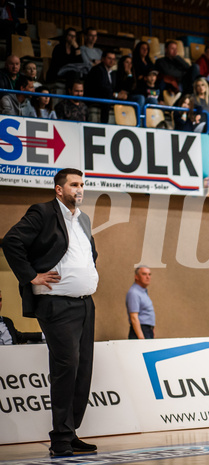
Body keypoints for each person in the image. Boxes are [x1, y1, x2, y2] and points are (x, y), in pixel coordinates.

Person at [2, 168, 99, 457]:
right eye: (73, 184)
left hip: (84, 303)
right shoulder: (42, 213)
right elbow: (11, 242)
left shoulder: (83, 219)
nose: (79, 189)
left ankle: (70, 433)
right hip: (56, 304)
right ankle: (60, 440)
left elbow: (88, 254)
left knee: (82, 370)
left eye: (82, 184)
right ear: (59, 189)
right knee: (65, 367)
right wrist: (31, 276)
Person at [84, 50, 116, 124]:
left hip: (108, 95)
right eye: (109, 58)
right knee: (107, 95)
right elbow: (102, 87)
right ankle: (104, 123)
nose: (112, 61)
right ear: (103, 59)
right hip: (94, 95)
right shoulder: (97, 70)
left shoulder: (113, 73)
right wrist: (115, 94)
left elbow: (114, 87)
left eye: (113, 59)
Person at [126, 266, 156, 339]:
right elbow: (133, 317)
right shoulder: (134, 292)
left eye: (149, 274)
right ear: (136, 277)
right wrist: (141, 337)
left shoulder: (143, 292)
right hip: (141, 331)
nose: (148, 277)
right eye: (144, 274)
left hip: (147, 330)